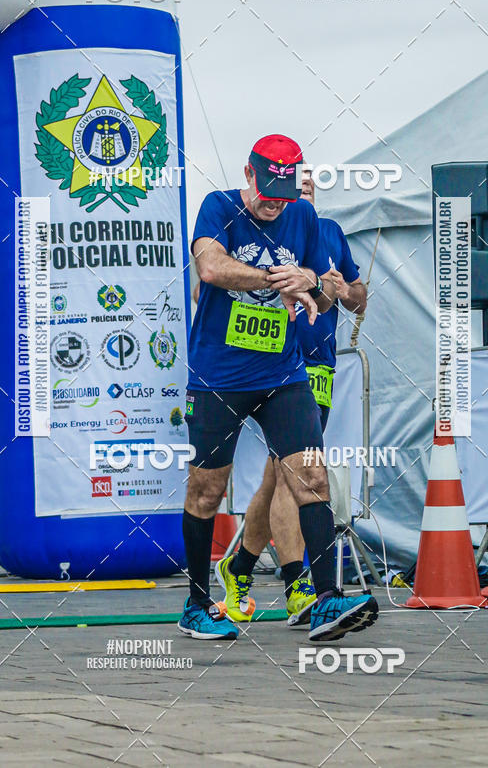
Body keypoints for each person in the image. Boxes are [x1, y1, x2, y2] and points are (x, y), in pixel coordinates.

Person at [178, 133, 378, 641]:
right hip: (219, 376)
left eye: (282, 194)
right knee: (206, 491)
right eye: (266, 190)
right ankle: (198, 603)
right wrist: (274, 279)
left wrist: (312, 284)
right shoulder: (218, 206)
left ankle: (326, 599)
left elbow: (335, 292)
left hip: (283, 375)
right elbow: (210, 266)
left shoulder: (305, 217)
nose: (273, 203)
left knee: (311, 476)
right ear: (248, 175)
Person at [248, 167, 367, 625]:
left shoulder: (330, 233)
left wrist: (340, 285)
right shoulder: (259, 234)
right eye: (286, 190)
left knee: (284, 471)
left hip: (319, 367)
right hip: (272, 364)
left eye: (304, 190)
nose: (295, 196)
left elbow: (359, 297)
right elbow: (207, 289)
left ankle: (241, 566)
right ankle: (300, 584)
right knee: (291, 471)